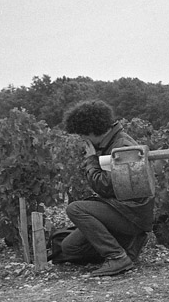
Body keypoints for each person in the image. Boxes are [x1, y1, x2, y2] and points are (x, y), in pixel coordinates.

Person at [53, 100, 153, 277]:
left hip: (132, 215)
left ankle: (117, 257)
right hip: (124, 210)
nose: (83, 140)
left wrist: (91, 160)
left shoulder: (121, 147)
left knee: (75, 209)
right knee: (69, 247)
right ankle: (127, 247)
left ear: (92, 130)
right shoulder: (111, 142)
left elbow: (105, 187)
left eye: (84, 135)